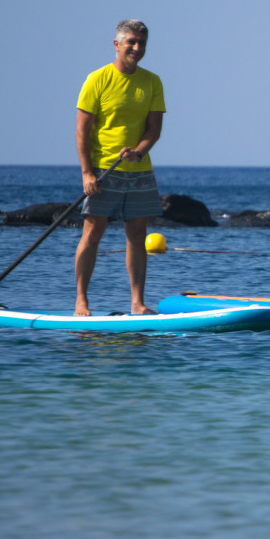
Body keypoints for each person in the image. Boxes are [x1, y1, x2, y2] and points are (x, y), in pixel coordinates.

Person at [73, 19, 166, 316]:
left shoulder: (152, 82)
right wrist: (87, 173)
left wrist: (138, 153)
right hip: (104, 171)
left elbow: (153, 130)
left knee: (138, 235)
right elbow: (82, 131)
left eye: (142, 44)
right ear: (117, 44)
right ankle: (81, 301)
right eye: (131, 43)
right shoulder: (97, 80)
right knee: (92, 232)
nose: (137, 49)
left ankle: (137, 303)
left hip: (138, 172)